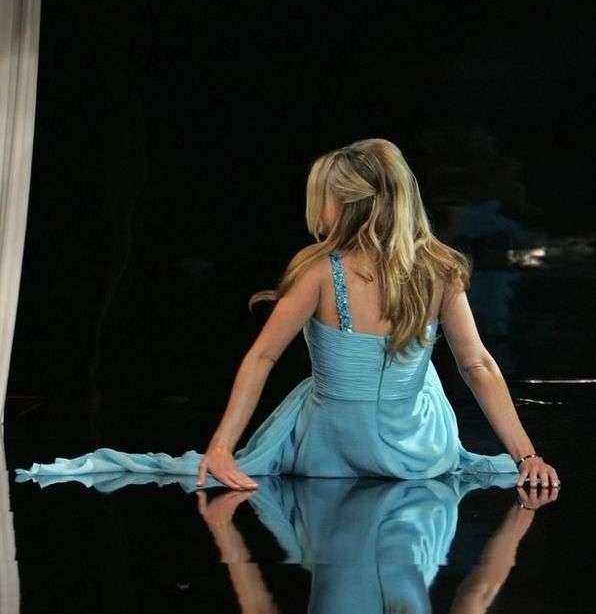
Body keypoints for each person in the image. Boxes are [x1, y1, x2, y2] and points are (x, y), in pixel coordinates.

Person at [15, 138, 560, 492]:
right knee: (425, 373)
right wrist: (526, 456)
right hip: (420, 450)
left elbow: (262, 358)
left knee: (348, 385)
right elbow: (477, 365)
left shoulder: (319, 270)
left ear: (348, 204)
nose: (316, 209)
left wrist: (222, 448)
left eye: (322, 198)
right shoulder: (438, 269)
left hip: (329, 449)